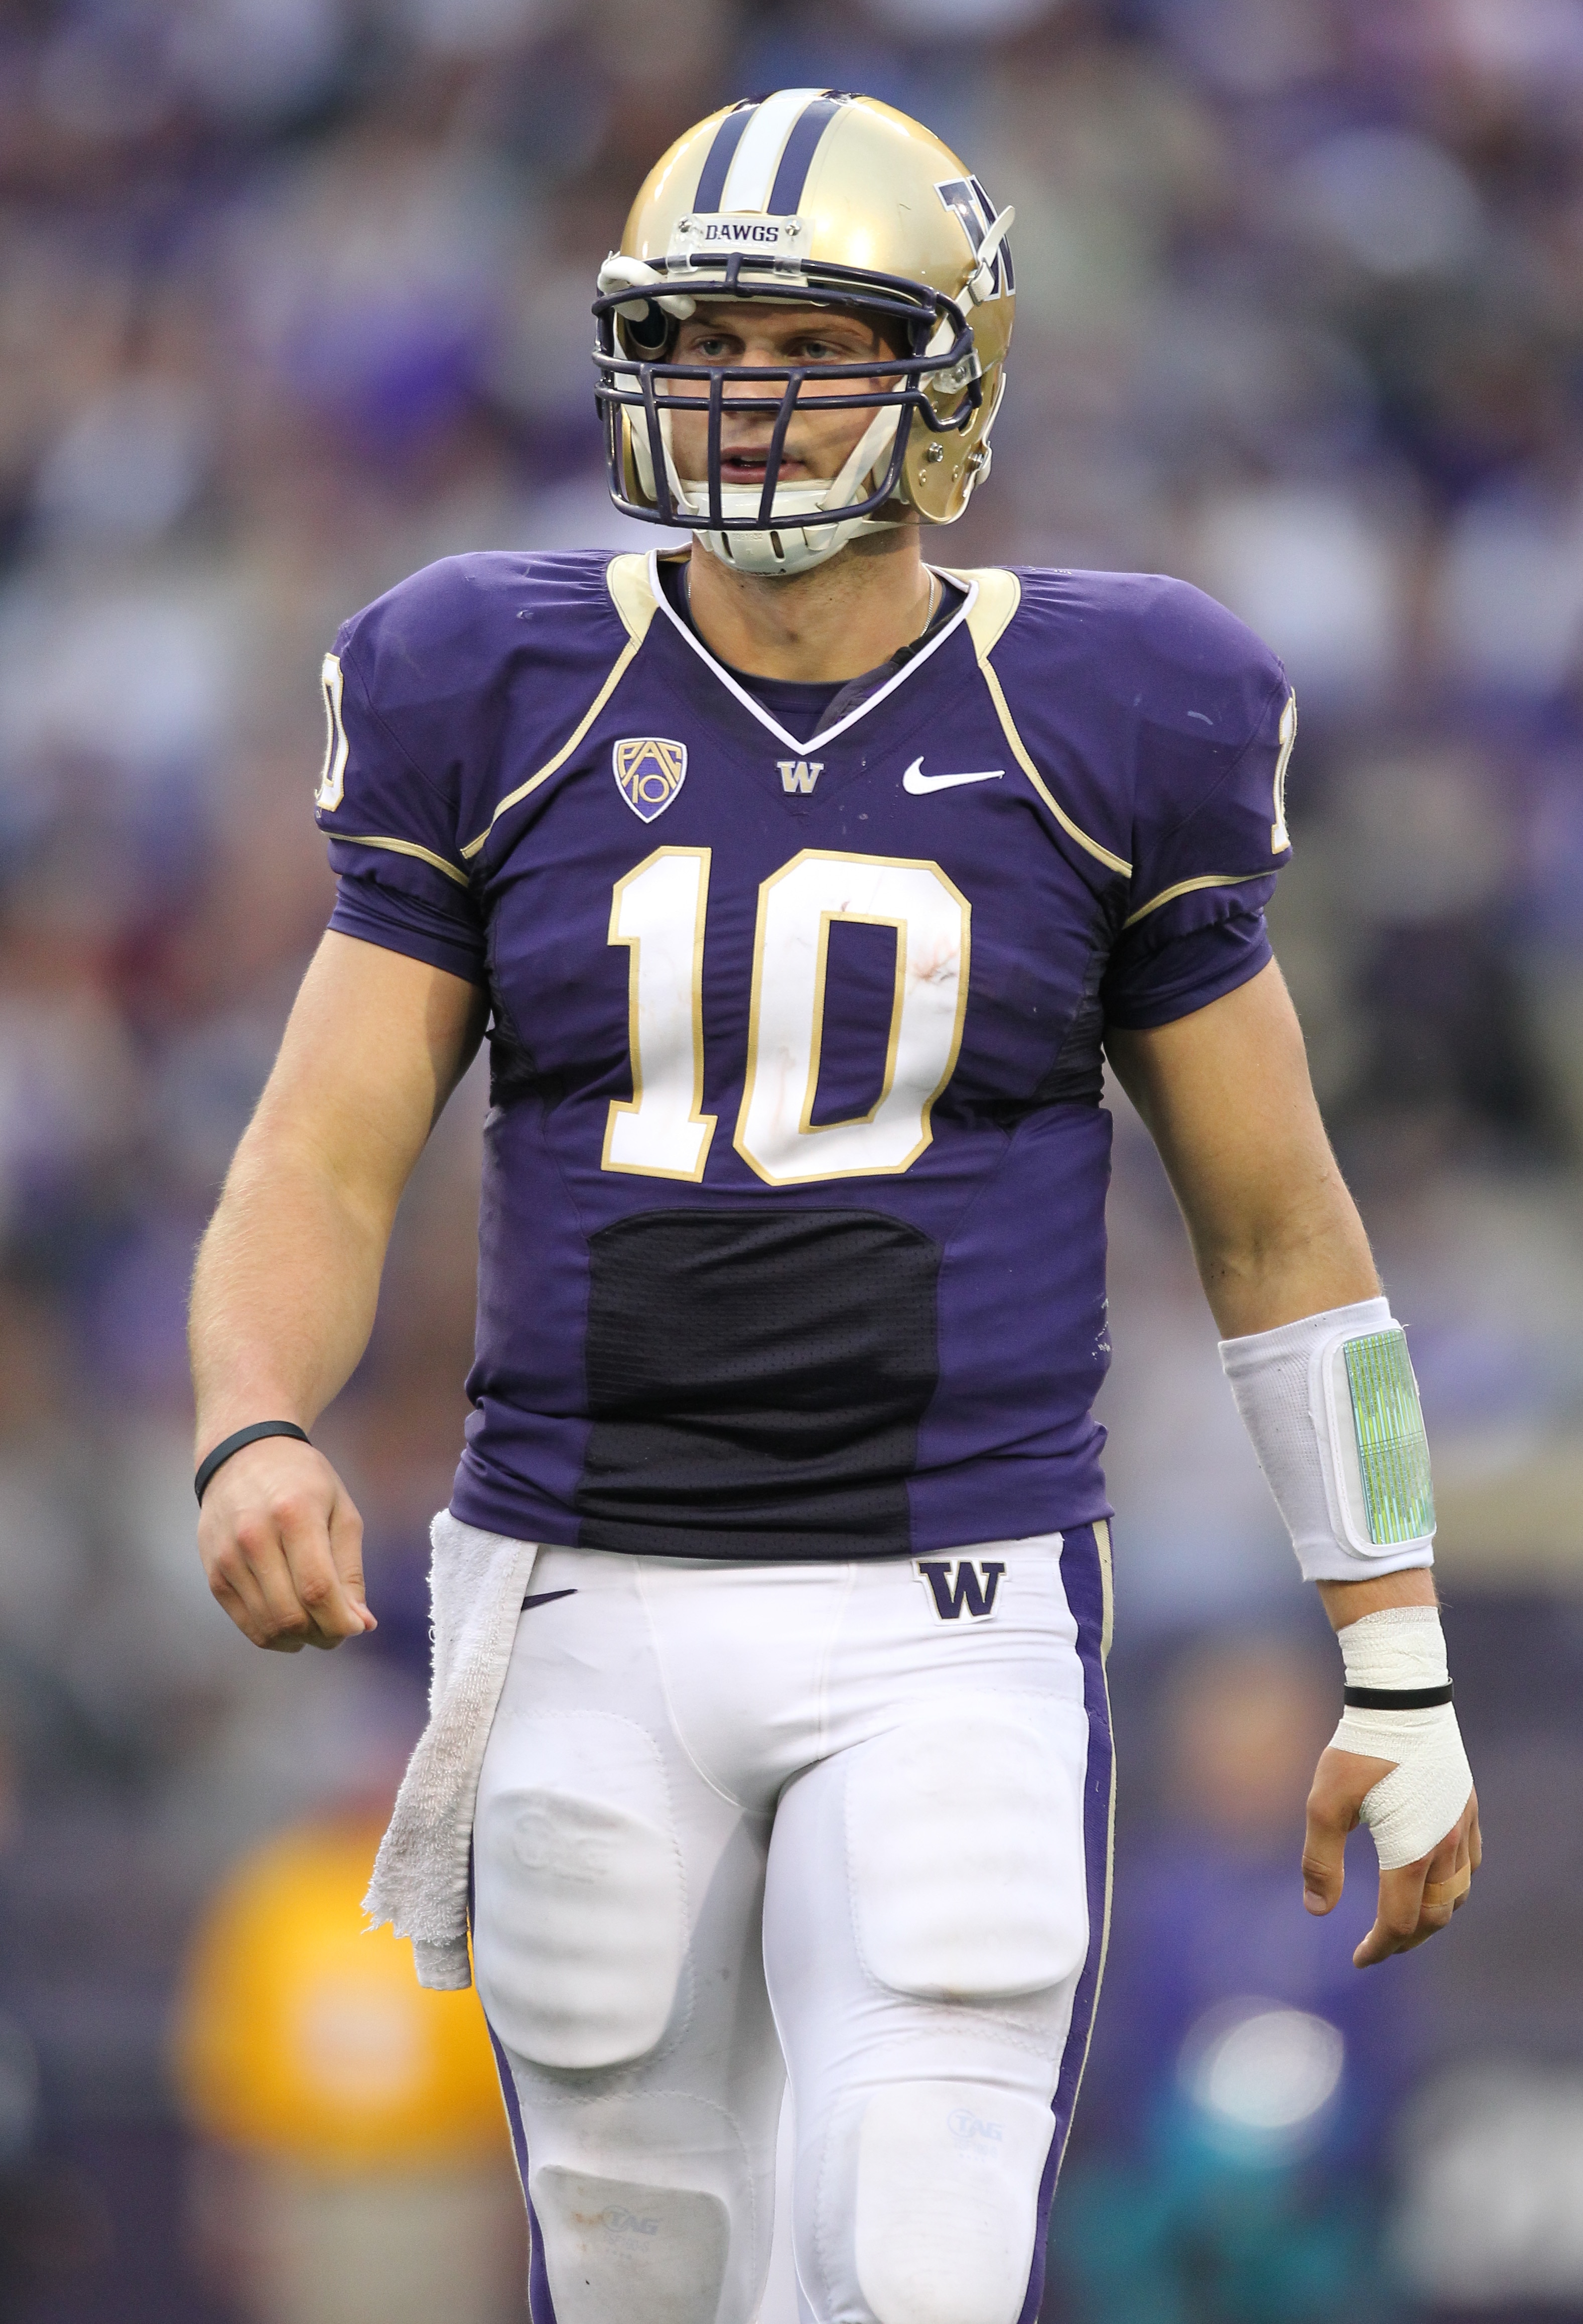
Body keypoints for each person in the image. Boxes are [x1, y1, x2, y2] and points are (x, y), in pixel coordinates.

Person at [188, 89, 1479, 2324]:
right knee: (644, 2276)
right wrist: (254, 1419)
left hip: (947, 1607)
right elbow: (321, 1143)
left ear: (951, 374)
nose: (745, 396)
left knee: (911, 2262)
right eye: (703, 337)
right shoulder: (495, 680)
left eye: (813, 345)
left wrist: (1401, 1658)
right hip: (585, 1583)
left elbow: (1279, 1229)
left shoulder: (1116, 706)